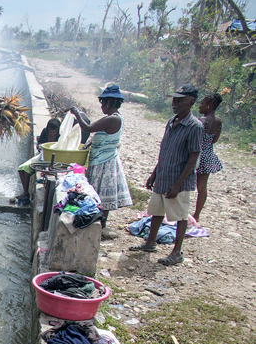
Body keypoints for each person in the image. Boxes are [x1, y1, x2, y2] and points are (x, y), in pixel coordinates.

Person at [130, 84, 203, 266]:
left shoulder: (194, 126)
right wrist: (154, 173)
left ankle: (176, 252)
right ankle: (150, 243)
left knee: (180, 215)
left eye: (180, 100)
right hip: (163, 175)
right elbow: (165, 151)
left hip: (178, 179)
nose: (175, 103)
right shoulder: (171, 122)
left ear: (191, 101)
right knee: (156, 211)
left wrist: (178, 183)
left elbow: (193, 156)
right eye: (174, 99)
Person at [70, 84, 133, 239]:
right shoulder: (113, 118)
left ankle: (100, 225)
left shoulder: (113, 118)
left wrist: (77, 113)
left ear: (110, 102)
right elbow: (102, 135)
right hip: (103, 159)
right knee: (99, 193)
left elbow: (88, 127)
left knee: (100, 194)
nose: (102, 107)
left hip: (104, 162)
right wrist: (89, 143)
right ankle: (98, 222)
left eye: (104, 103)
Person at [13, 118, 61, 205]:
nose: (52, 135)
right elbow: (39, 145)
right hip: (42, 156)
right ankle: (25, 192)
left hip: (51, 159)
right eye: (50, 133)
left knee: (27, 171)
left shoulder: (60, 137)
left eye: (54, 133)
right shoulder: (44, 132)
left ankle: (26, 193)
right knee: (21, 169)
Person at [194, 92, 223, 223]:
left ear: (209, 106)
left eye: (202, 103)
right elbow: (215, 140)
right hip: (208, 154)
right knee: (202, 187)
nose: (200, 106)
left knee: (185, 183)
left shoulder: (201, 121)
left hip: (196, 155)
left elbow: (194, 139)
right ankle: (197, 214)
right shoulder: (218, 122)